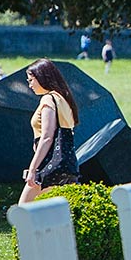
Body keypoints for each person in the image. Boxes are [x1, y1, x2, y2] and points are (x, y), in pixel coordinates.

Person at [20, 59, 81, 204]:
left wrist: (33, 169)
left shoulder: (48, 100)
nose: (30, 85)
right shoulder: (64, 99)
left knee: (23, 210)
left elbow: (47, 137)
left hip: (49, 165)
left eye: (31, 80)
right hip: (66, 164)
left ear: (42, 77)